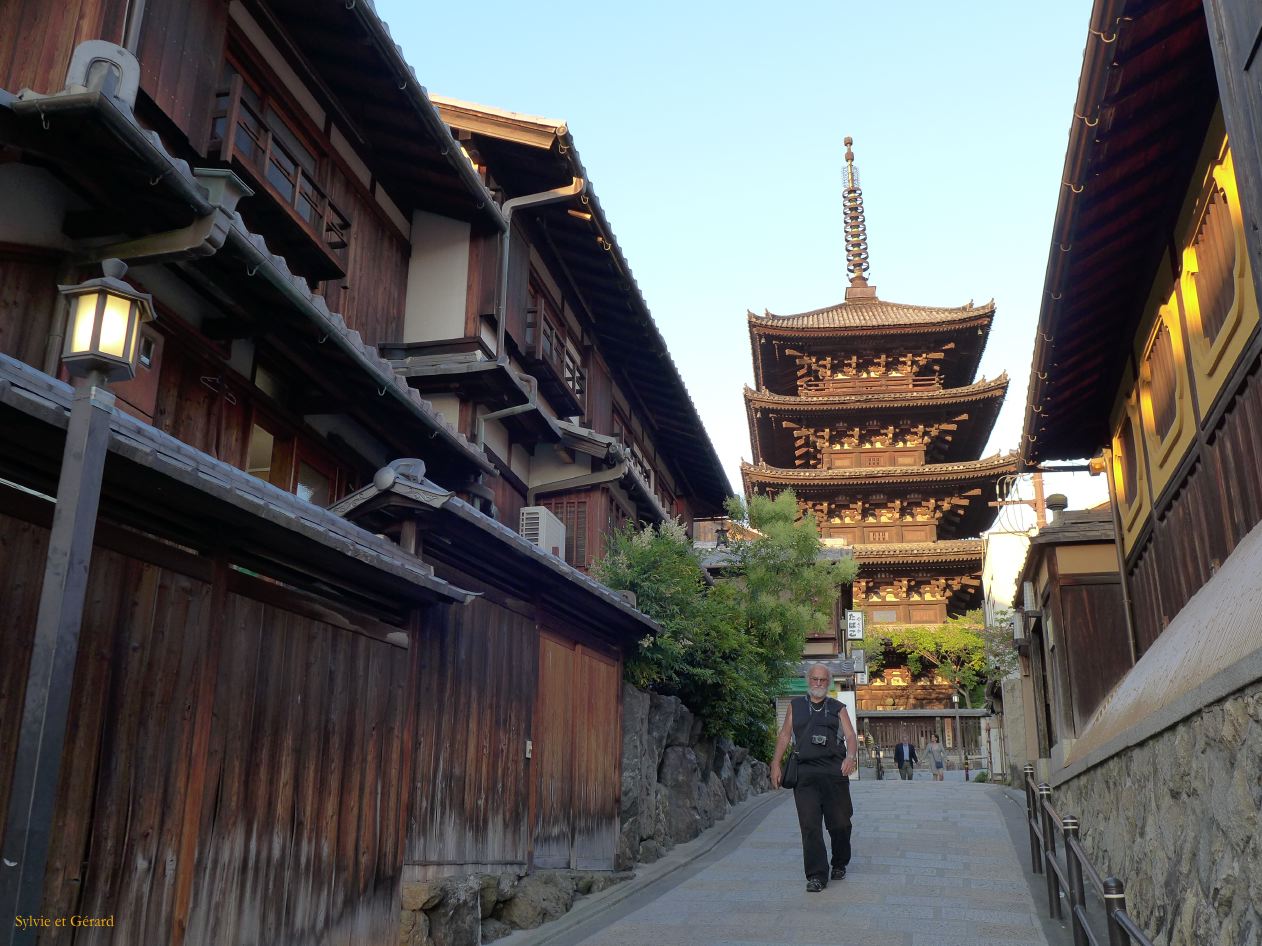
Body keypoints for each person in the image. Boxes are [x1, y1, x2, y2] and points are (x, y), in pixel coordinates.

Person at [771, 664, 858, 892]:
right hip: (805, 774)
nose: (818, 684)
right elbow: (784, 735)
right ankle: (817, 875)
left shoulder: (837, 707)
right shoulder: (795, 706)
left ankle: (839, 862)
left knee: (840, 823)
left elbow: (850, 735)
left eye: (822, 680)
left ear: (828, 683)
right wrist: (775, 763)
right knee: (810, 826)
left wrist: (850, 756)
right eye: (814, 679)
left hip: (834, 773)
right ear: (807, 680)